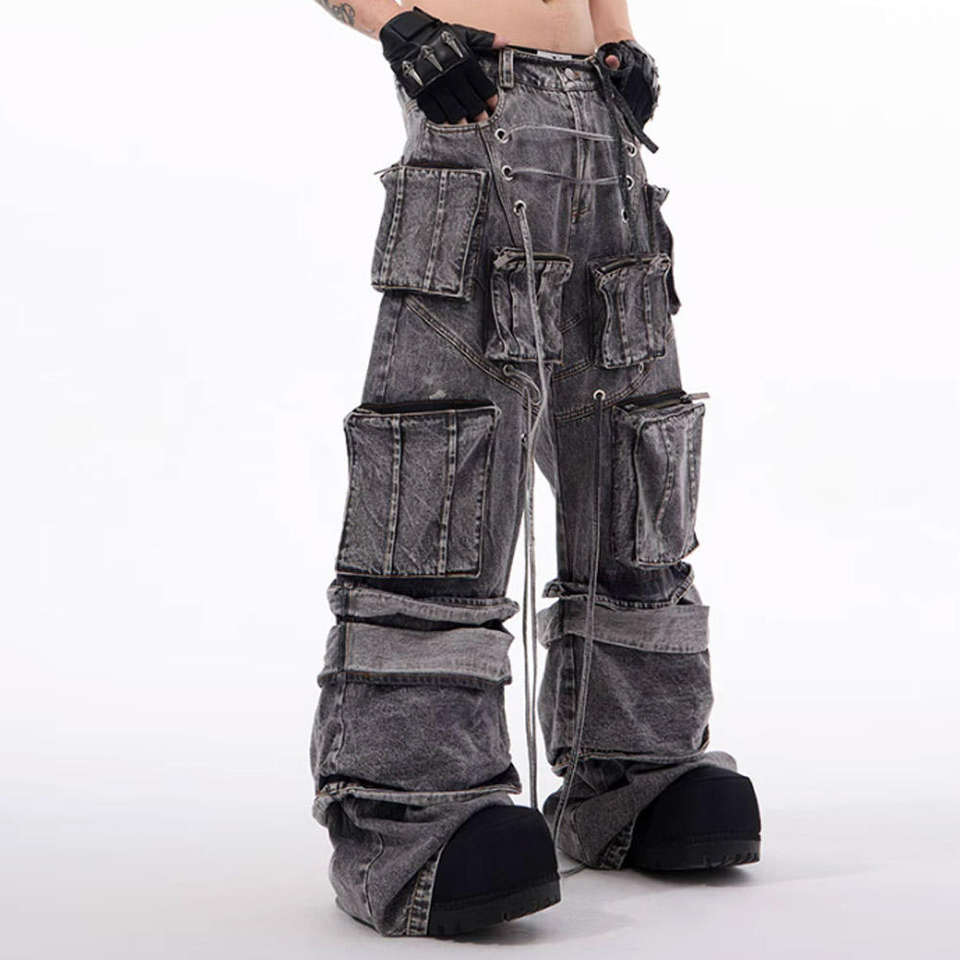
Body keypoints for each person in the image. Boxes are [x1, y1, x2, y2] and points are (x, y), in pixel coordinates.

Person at [307, 0, 762, 938]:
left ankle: (638, 773)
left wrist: (617, 39)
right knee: (444, 466)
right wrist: (395, 23)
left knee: (635, 450)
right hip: (472, 94)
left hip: (604, 122)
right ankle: (414, 815)